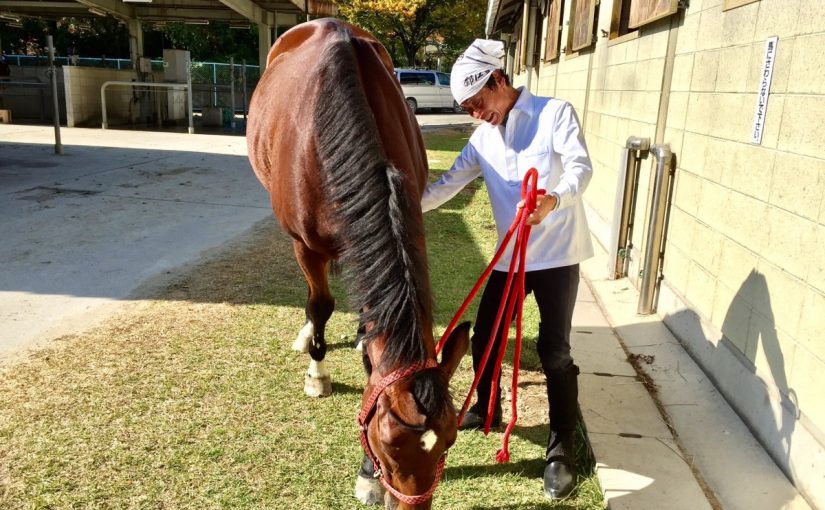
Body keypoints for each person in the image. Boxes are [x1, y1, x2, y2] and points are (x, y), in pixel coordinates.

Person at [421, 39, 593, 500]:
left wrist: (553, 199)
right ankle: (488, 405)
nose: (476, 114)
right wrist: (399, 207)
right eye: (468, 109)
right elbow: (446, 185)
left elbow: (581, 168)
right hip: (509, 258)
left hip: (556, 256)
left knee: (554, 350)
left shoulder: (555, 113)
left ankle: (560, 450)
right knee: (487, 337)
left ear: (498, 81)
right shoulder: (481, 139)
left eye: (478, 104)